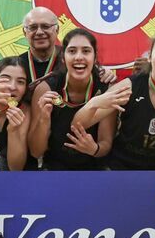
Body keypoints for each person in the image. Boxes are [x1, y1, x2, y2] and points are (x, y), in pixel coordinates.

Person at [75, 33, 155, 170]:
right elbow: (77, 124)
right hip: (120, 167)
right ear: (150, 57)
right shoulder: (128, 87)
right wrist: (94, 103)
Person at [29, 28, 125, 171]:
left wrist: (94, 149)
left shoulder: (106, 88)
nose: (79, 57)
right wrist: (43, 119)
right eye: (72, 51)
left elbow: (105, 143)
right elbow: (36, 152)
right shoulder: (46, 88)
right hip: (55, 169)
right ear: (63, 57)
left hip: (94, 169)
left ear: (94, 57)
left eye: (86, 51)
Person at [19, 6, 63, 84]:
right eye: (33, 27)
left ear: (57, 30)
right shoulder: (17, 66)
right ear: (24, 32)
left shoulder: (69, 62)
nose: (39, 32)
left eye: (45, 26)